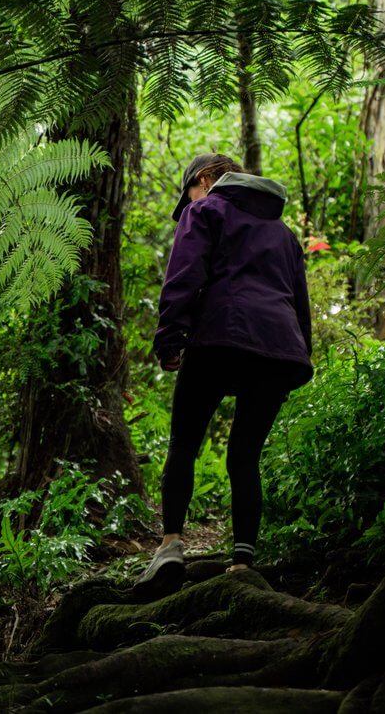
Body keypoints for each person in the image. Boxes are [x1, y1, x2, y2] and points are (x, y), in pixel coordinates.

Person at [134, 153, 314, 592]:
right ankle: (242, 563)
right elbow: (299, 303)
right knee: (245, 456)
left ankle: (170, 546)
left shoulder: (206, 210)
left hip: (218, 339)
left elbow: (184, 274)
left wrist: (169, 338)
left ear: (205, 179)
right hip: (278, 352)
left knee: (184, 443)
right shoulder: (284, 233)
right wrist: (299, 356)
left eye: (189, 195)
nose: (189, 203)